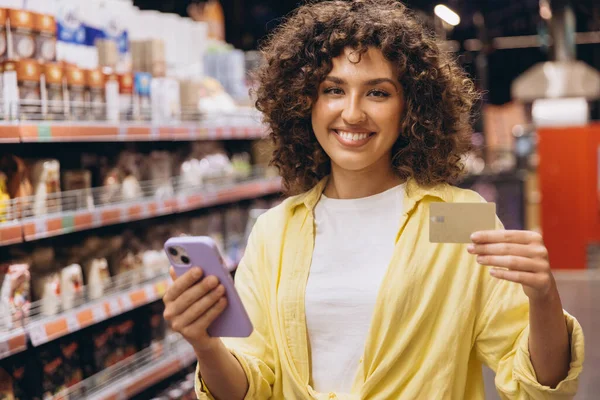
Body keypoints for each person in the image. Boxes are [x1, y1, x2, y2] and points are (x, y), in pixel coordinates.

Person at [163, 1, 584, 399]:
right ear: (304, 101)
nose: (352, 113)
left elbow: (537, 385)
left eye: (377, 93)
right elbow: (251, 384)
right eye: (333, 89)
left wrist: (543, 296)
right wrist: (205, 344)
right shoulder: (277, 230)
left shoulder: (454, 218)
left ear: (411, 107)